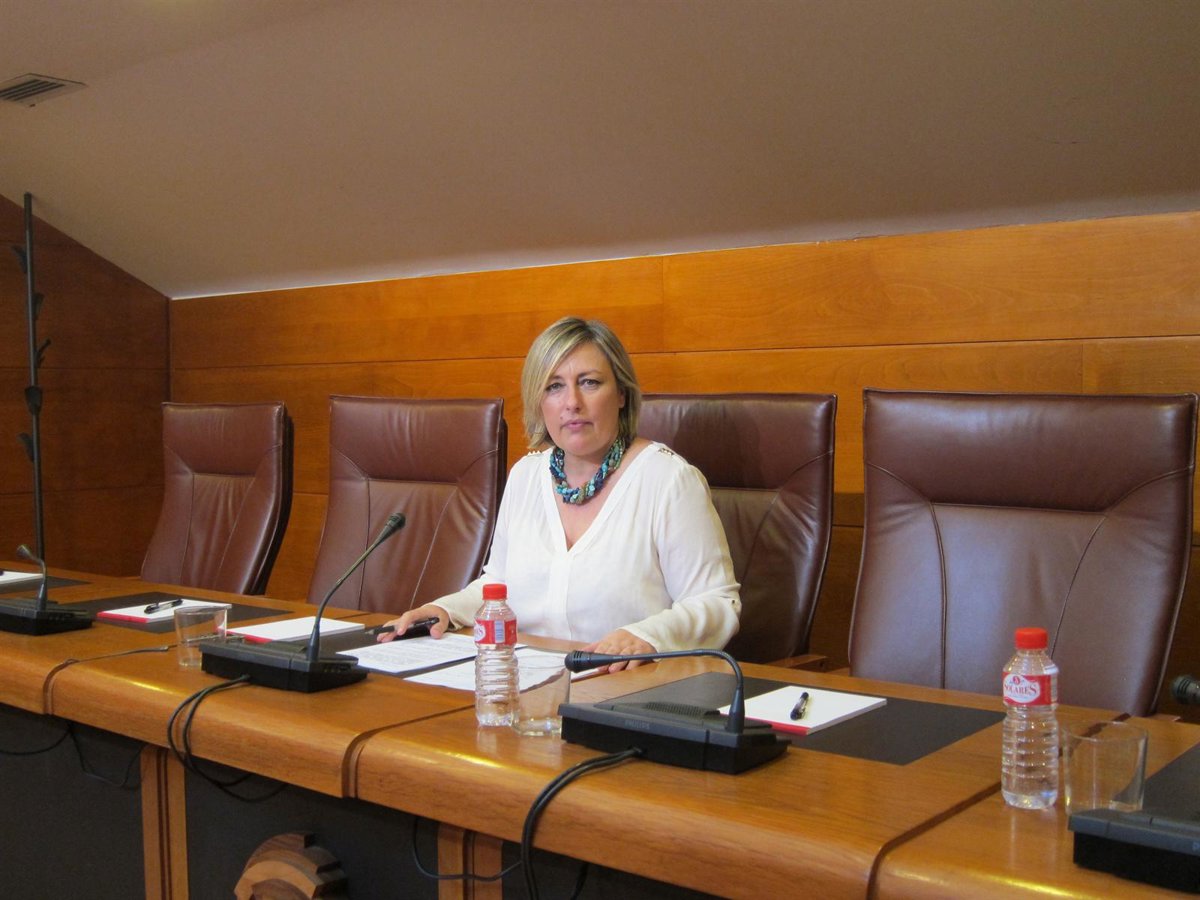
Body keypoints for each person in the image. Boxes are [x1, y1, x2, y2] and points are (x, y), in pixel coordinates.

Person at [379, 316, 740, 670]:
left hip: (628, 685)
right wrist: (445, 610)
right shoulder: (525, 476)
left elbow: (717, 601)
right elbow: (500, 585)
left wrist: (646, 636)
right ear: (539, 401)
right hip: (527, 681)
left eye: (589, 382)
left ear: (622, 394)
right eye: (554, 386)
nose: (572, 402)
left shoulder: (668, 479)